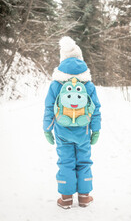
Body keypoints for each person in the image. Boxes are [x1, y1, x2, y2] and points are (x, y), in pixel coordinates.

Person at [43, 36, 101, 209]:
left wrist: (47, 128)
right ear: (80, 58)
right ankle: (84, 198)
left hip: (62, 130)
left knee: (66, 161)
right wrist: (96, 130)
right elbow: (96, 108)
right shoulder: (88, 83)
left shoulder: (56, 84)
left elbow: (48, 108)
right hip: (83, 130)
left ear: (62, 60)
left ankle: (66, 199)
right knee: (84, 161)